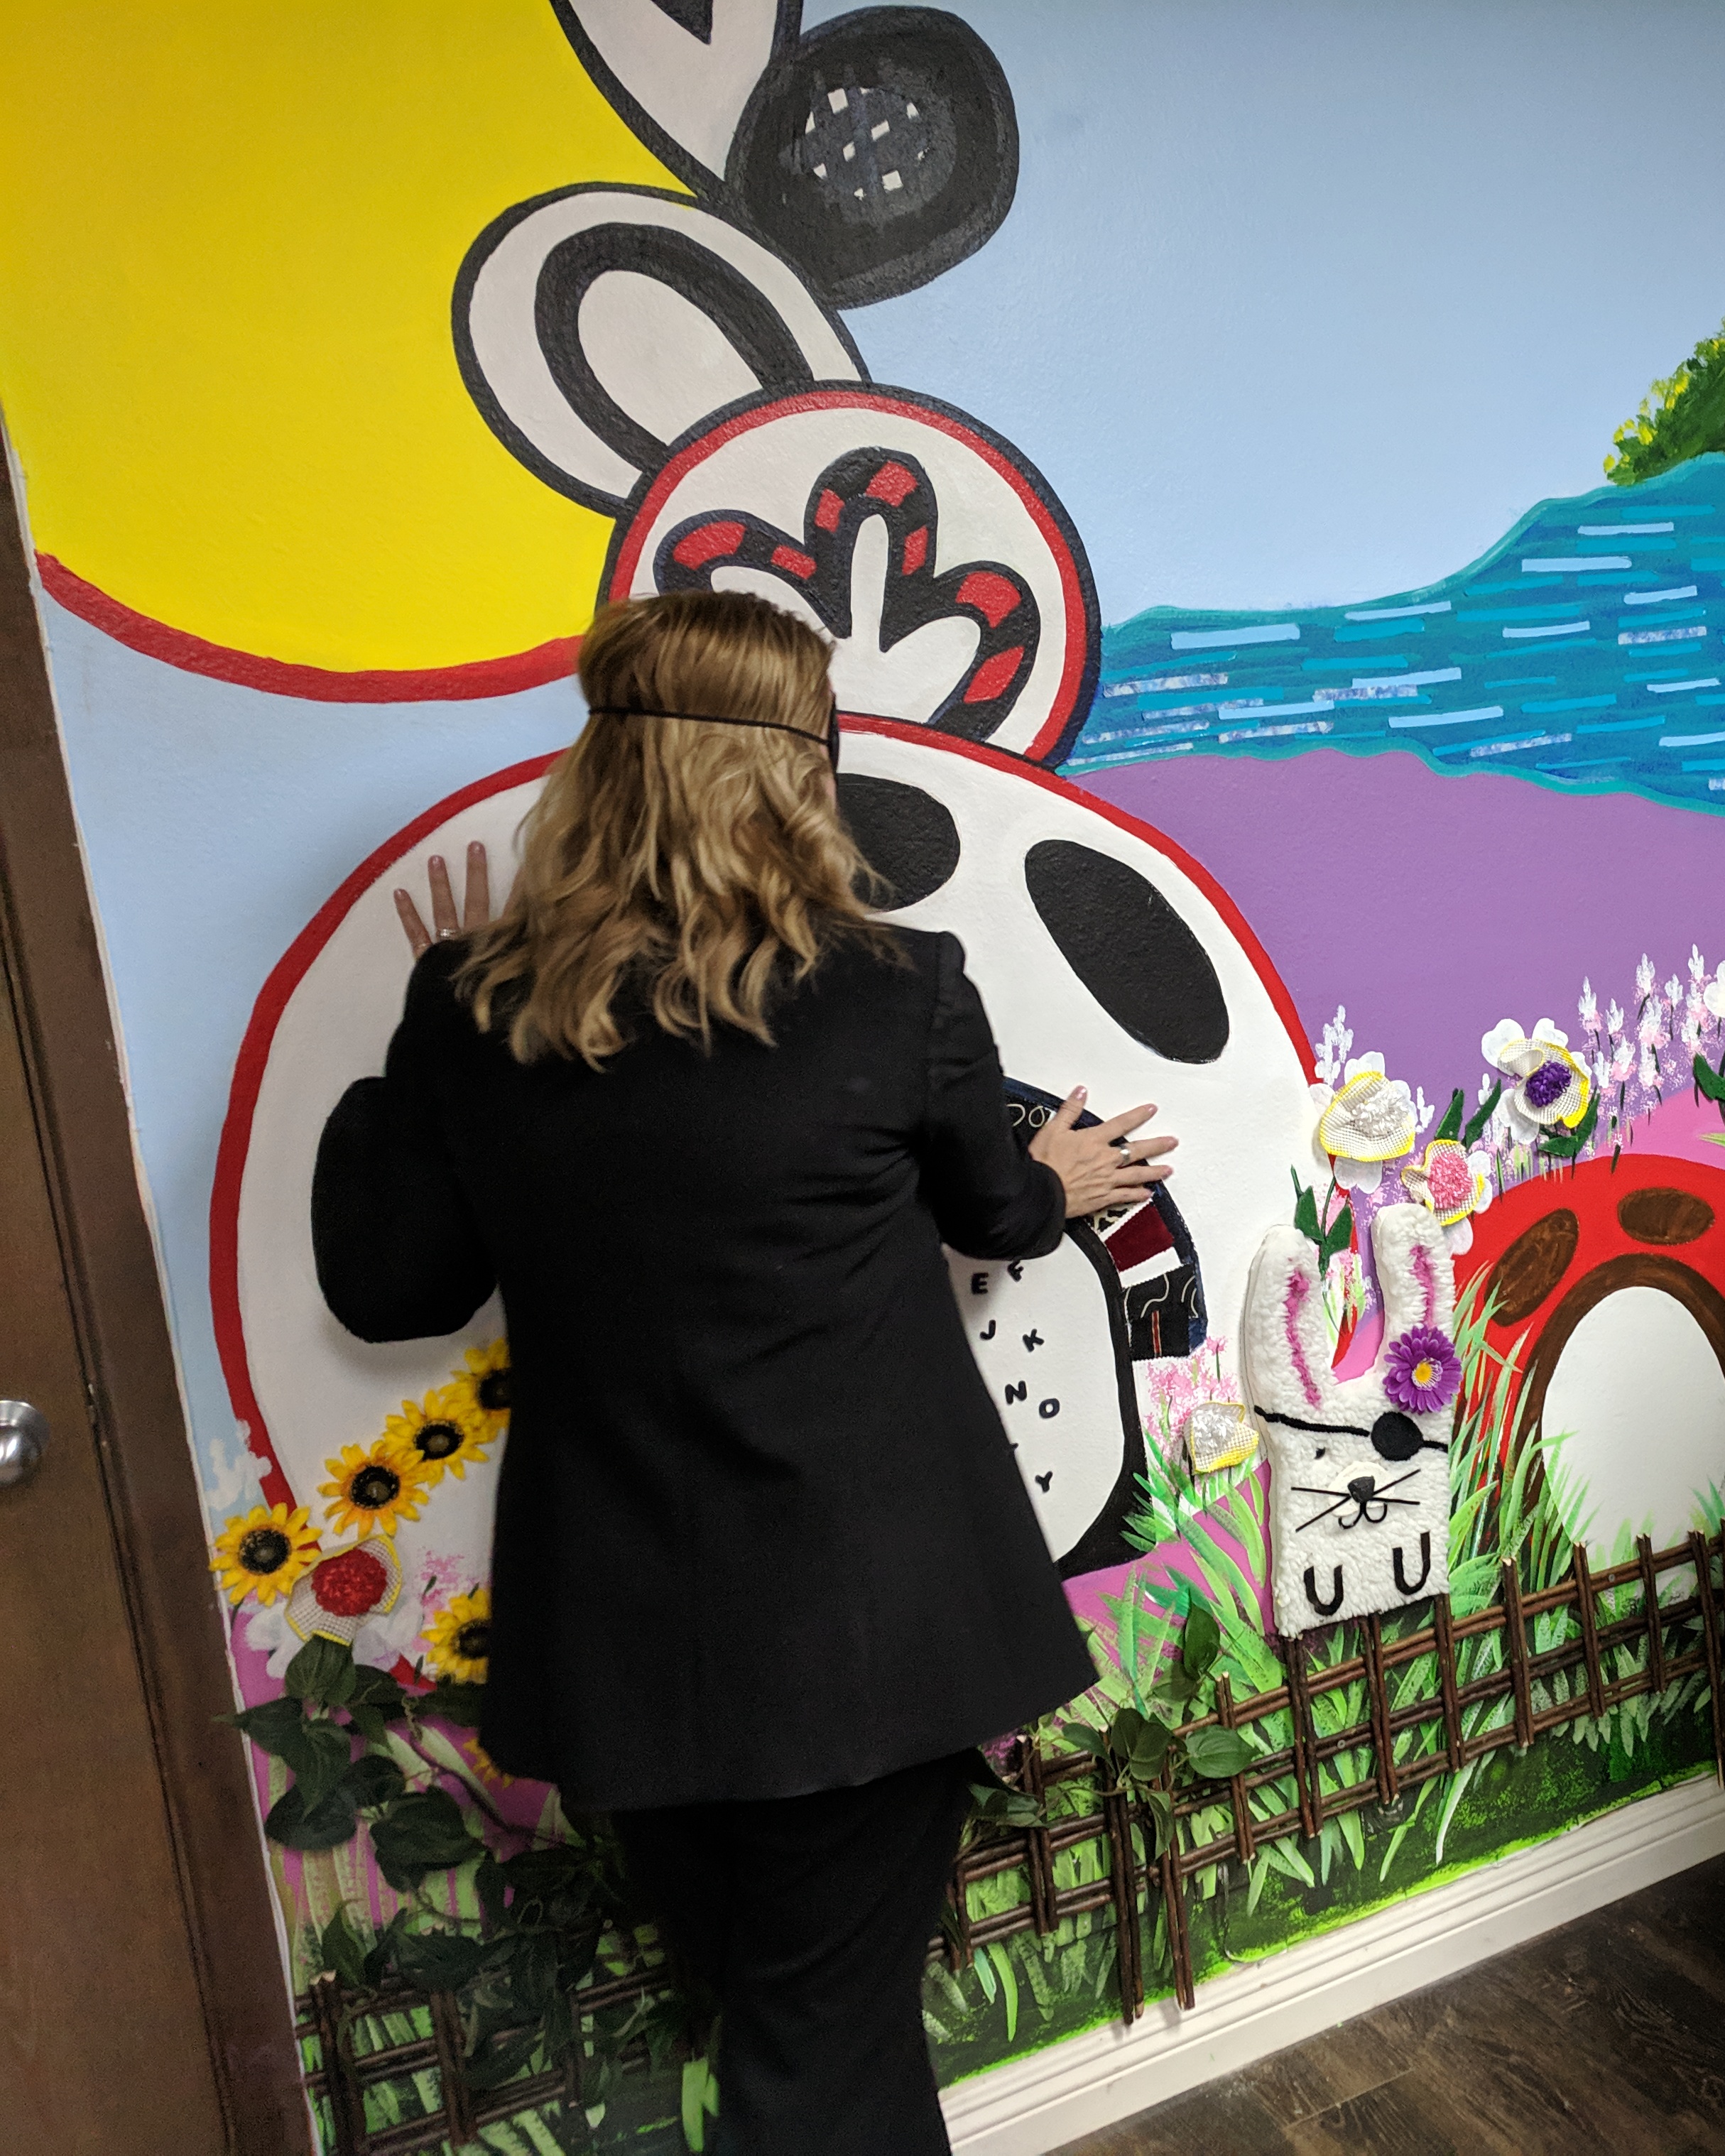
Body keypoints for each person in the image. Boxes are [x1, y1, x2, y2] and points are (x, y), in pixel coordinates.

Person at [312, 589, 1175, 2155]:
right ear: (798, 776)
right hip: (868, 1633)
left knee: (798, 2029)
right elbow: (995, 1211)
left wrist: (423, 1034)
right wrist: (1058, 1174)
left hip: (627, 1649)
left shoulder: (477, 1009)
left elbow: (391, 1287)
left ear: (602, 774)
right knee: (814, 2060)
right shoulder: (895, 990)